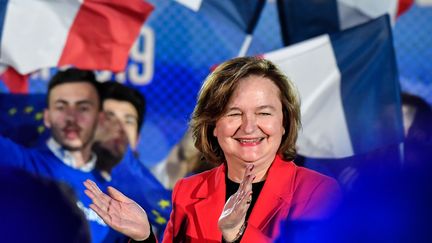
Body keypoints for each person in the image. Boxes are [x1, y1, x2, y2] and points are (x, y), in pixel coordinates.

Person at [84, 56, 342, 242]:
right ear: (213, 125)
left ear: (284, 123)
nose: (249, 126)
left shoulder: (318, 192)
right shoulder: (188, 190)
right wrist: (144, 237)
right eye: (234, 113)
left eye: (264, 112)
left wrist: (238, 235)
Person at [0, 68, 117, 242]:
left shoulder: (115, 194)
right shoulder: (17, 162)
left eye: (83, 108)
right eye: (61, 107)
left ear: (99, 119)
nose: (71, 117)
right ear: (47, 117)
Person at [94, 81, 172, 237]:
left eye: (128, 121)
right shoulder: (46, 168)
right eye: (109, 117)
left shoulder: (145, 189)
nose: (119, 127)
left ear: (137, 139)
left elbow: (177, 226)